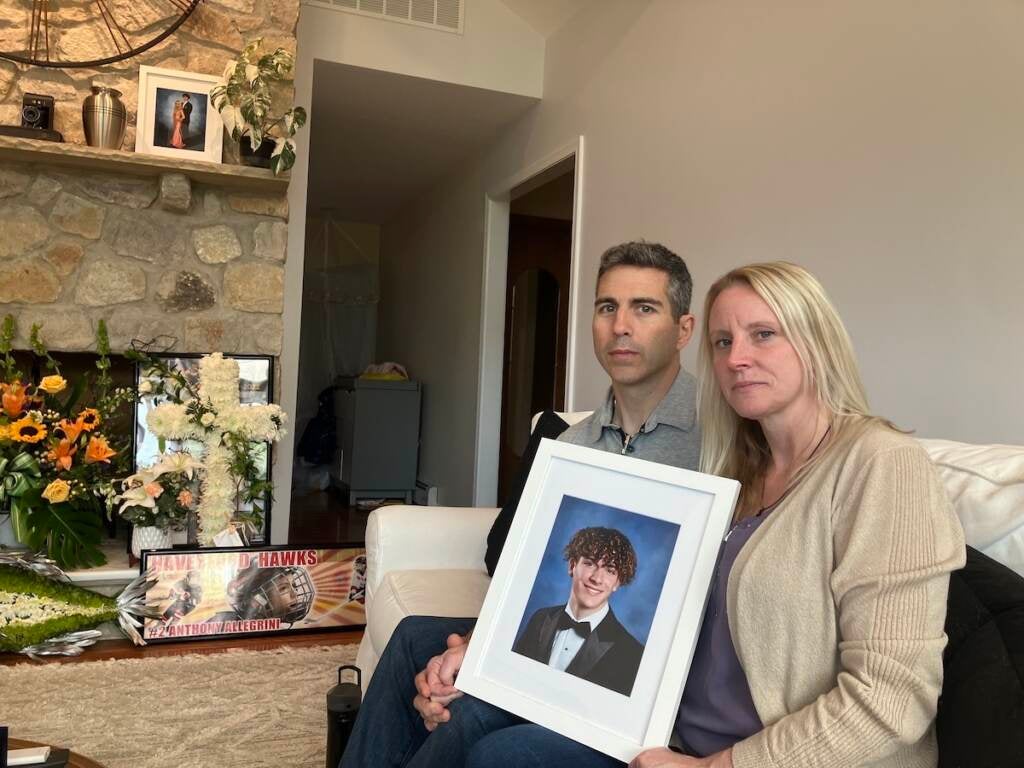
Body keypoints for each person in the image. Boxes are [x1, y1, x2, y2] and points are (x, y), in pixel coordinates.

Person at [454, 261, 965, 768]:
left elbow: (894, 698)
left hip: (758, 758)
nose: (737, 358)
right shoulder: (736, 471)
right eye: (723, 342)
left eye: (763, 334)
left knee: (504, 757)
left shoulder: (882, 463)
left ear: (817, 341)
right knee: (479, 721)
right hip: (667, 734)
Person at [339, 240, 702, 768]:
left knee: (476, 718)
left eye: (644, 309)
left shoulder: (718, 442)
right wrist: (472, 647)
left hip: (640, 680)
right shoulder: (571, 446)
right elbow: (526, 576)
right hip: (551, 650)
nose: (621, 325)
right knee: (417, 639)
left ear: (684, 329)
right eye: (607, 308)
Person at [512, 526, 643, 696]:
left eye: (610, 570)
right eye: (590, 563)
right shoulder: (540, 618)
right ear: (572, 565)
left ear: (618, 582)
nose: (596, 578)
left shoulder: (631, 653)